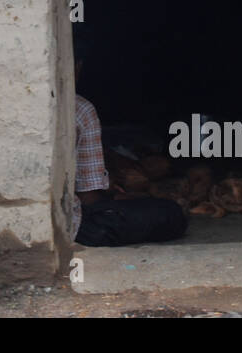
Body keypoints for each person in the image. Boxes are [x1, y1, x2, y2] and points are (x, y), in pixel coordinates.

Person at [71, 93, 187, 246]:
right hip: (73, 225)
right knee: (172, 212)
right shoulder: (80, 108)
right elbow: (88, 199)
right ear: (77, 68)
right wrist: (119, 197)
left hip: (42, 223)